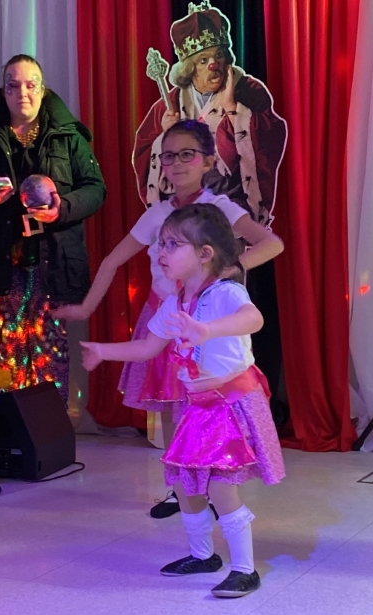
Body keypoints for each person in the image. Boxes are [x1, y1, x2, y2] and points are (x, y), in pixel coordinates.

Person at [55, 120, 283, 519]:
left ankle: (216, 483)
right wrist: (86, 309)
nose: (176, 164)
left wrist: (230, 269)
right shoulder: (157, 214)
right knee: (169, 403)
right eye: (168, 156)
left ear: (208, 161)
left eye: (186, 155)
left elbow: (272, 242)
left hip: (205, 317)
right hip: (164, 314)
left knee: (206, 403)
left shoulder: (220, 208)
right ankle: (181, 489)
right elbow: (112, 261)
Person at [81, 204, 285, 598]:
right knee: (185, 485)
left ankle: (245, 569)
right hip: (197, 406)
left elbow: (253, 319)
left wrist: (207, 330)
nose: (162, 252)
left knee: (221, 488)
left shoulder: (225, 291)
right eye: (161, 243)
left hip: (231, 403)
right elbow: (148, 346)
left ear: (205, 253)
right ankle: (202, 555)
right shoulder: (174, 302)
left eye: (173, 244)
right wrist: (104, 351)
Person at [0, 55, 106, 404]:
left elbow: (96, 189)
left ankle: (52, 424)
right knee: (11, 346)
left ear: (42, 89)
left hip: (52, 260)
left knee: (50, 348)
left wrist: (61, 208)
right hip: (3, 260)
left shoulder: (67, 135)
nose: (23, 93)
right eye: (14, 85)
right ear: (4, 91)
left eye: (30, 85)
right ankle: (16, 425)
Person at [133, 0, 287, 227]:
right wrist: (166, 136)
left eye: (219, 56)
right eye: (203, 60)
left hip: (233, 208)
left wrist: (233, 110)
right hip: (186, 213)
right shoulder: (170, 104)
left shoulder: (249, 91)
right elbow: (144, 154)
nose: (214, 65)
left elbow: (272, 138)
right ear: (190, 68)